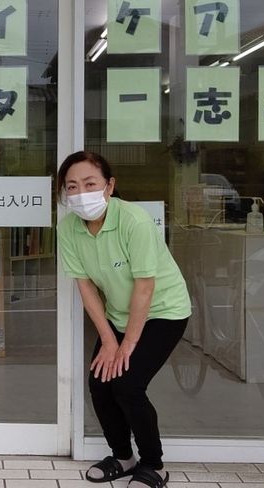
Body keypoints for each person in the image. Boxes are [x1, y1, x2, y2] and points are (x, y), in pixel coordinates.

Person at [56, 151, 191, 488]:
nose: (81, 193)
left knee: (128, 385)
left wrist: (127, 344)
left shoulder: (134, 221)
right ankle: (123, 457)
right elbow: (86, 288)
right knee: (100, 383)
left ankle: (154, 464)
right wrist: (108, 340)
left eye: (90, 184)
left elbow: (145, 287)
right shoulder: (68, 228)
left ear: (110, 185)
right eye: (72, 186)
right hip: (118, 315)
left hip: (163, 312)